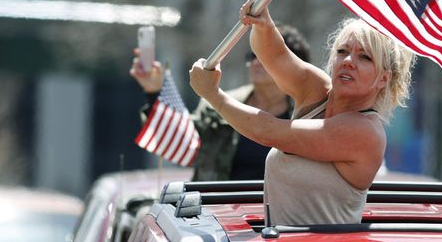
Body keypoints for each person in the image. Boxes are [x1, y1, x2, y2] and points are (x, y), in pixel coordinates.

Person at [189, 0, 415, 225]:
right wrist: (263, 23)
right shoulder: (318, 90)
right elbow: (276, 56)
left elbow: (268, 132)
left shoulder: (365, 131)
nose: (348, 61)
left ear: (383, 79)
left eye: (364, 57)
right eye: (342, 51)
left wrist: (213, 95)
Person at [130, 24, 311, 181]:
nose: (255, 62)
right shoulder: (216, 104)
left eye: (264, 54)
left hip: (284, 218)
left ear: (293, 63)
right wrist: (154, 91)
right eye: (251, 55)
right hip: (218, 214)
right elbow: (182, 142)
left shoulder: (311, 115)